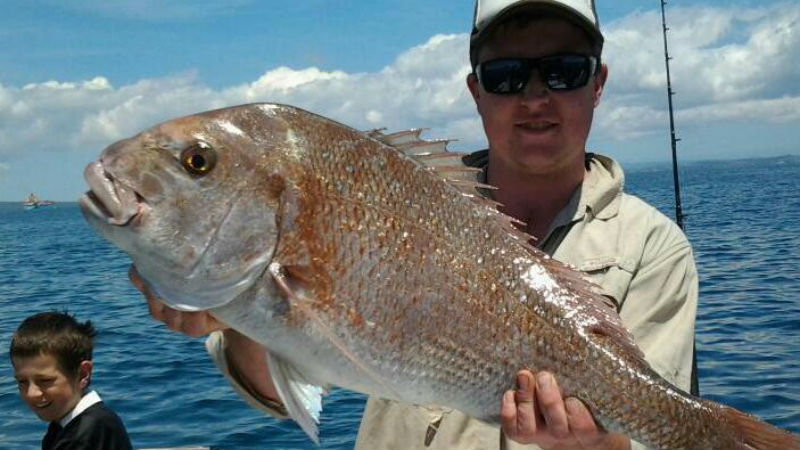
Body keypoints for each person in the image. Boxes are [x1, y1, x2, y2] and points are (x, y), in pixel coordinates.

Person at [131, 0, 699, 448]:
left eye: (563, 71)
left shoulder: (652, 247)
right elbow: (286, 388)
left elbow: (655, 430)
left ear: (597, 84)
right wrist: (239, 320)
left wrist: (596, 445)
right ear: (476, 91)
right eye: (505, 75)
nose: (534, 96)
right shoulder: (404, 201)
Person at [10, 312, 133, 450]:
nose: (32, 393)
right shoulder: (76, 422)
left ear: (83, 374)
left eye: (45, 380)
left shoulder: (81, 437)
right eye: (22, 382)